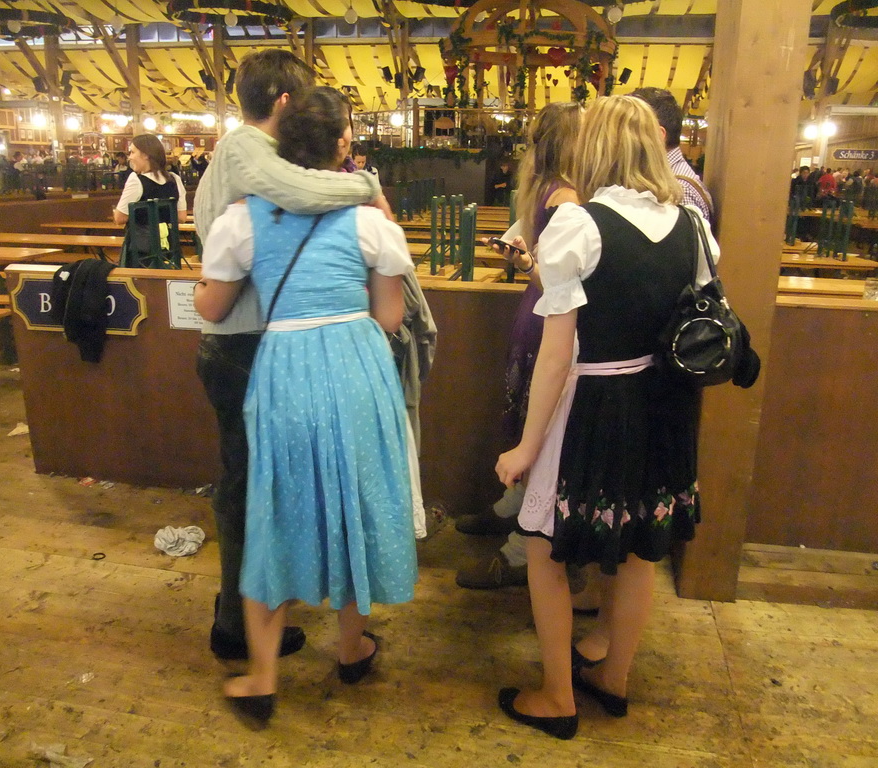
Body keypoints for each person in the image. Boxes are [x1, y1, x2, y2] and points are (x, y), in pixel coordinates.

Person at [494, 95, 717, 739]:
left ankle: (557, 696)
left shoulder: (580, 225)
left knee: (545, 552)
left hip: (592, 403)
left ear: (594, 150)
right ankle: (614, 679)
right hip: (662, 406)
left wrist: (526, 446)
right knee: (640, 551)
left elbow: (558, 354)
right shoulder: (692, 226)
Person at [194, 86, 417, 727]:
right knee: (352, 495)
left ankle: (263, 674)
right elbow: (391, 316)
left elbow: (212, 308)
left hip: (285, 366)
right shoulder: (371, 219)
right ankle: (351, 647)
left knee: (275, 503)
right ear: (341, 146)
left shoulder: (244, 218)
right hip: (354, 362)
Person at [455, 102, 582, 589]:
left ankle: (509, 514)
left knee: (530, 420)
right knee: (544, 433)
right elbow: (558, 281)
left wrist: (526, 259)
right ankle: (516, 547)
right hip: (550, 318)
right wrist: (530, 262)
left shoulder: (541, 187)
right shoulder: (567, 197)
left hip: (532, 316)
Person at [630, 87, 712, 221]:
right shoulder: (667, 182)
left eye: (631, 128)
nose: (623, 138)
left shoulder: (679, 192)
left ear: (658, 135)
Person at [112, 134, 188, 225]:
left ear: (145, 155)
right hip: (168, 238)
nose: (130, 157)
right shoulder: (175, 179)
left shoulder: (136, 180)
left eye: (132, 152)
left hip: (142, 238)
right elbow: (181, 217)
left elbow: (120, 218)